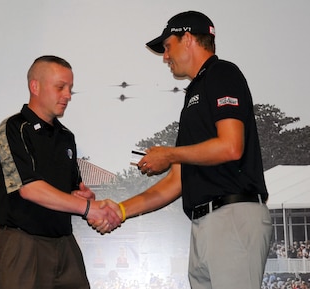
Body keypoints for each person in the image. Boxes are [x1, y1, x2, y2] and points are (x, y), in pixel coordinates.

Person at [93, 11, 273, 289]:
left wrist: (169, 154)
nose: (165, 56)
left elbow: (231, 146)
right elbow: (176, 181)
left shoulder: (223, 73)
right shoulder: (194, 92)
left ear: (187, 38)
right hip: (206, 224)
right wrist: (121, 209)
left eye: (167, 46)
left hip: (233, 217)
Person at [0, 55, 121, 289]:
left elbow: (73, 192)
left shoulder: (66, 137)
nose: (68, 95)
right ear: (35, 86)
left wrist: (84, 199)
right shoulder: (13, 129)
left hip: (64, 243)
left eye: (70, 88)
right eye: (60, 87)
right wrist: (90, 208)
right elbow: (29, 189)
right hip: (22, 245)